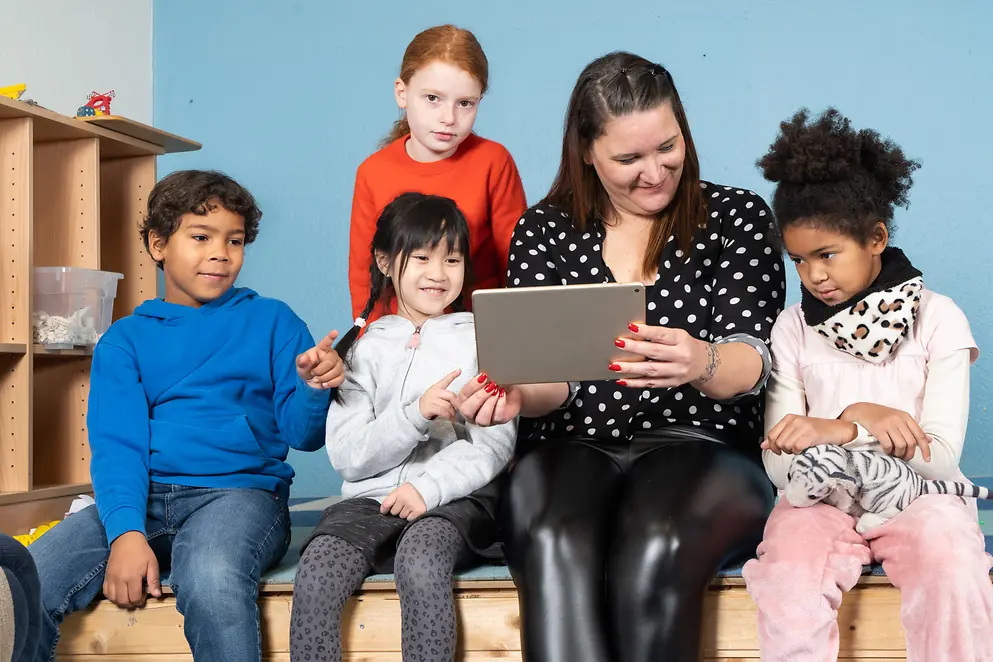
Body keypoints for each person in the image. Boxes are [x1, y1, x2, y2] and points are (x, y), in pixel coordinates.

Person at [458, 51, 785, 662]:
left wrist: (701, 361)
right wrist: (516, 395)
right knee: (555, 537)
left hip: (702, 444)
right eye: (628, 159)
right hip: (571, 445)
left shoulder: (736, 217)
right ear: (586, 153)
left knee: (656, 544)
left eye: (667, 147)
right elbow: (551, 379)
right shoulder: (546, 230)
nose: (655, 172)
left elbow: (755, 359)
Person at [28, 170, 344, 662]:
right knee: (26, 579)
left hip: (240, 497)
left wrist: (312, 386)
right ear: (158, 244)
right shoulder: (125, 340)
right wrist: (127, 534)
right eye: (201, 237)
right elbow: (118, 448)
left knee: (211, 576)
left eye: (234, 241)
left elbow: (304, 436)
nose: (220, 252)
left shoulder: (275, 321)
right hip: (144, 498)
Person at [741, 108, 993, 661]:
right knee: (786, 573)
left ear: (875, 238)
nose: (814, 277)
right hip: (820, 502)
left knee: (953, 559)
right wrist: (859, 423)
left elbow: (941, 461)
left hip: (919, 498)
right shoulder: (792, 327)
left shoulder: (939, 318)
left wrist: (844, 426)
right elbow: (782, 468)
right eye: (799, 261)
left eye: (827, 255)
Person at [291, 193, 516, 662]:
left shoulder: (483, 339)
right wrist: (416, 414)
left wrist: (427, 488)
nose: (438, 273)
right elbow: (349, 456)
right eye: (422, 257)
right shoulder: (360, 350)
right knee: (316, 569)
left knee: (421, 560)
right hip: (369, 500)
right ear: (385, 261)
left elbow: (493, 447)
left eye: (452, 259)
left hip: (454, 502)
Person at [348, 24, 527, 324]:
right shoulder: (373, 172)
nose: (448, 118)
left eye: (465, 103)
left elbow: (518, 265)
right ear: (402, 93)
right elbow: (366, 281)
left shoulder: (494, 162)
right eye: (433, 98)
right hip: (400, 342)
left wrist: (506, 343)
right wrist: (374, 353)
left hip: (480, 337)